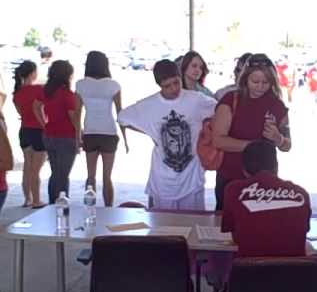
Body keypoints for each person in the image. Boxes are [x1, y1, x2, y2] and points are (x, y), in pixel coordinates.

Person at [118, 59, 217, 210]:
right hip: (162, 181)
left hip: (191, 179)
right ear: (159, 85)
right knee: (163, 228)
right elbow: (122, 118)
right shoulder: (148, 105)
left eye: (176, 82)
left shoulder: (196, 100)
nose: (174, 88)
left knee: (194, 225)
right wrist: (151, 132)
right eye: (167, 86)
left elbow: (221, 110)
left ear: (180, 77)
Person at [212, 53, 291, 210]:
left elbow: (287, 145)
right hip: (231, 177)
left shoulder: (277, 105)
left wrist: (278, 138)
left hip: (265, 182)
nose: (260, 87)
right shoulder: (230, 100)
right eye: (255, 82)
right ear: (245, 79)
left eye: (265, 82)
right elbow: (218, 140)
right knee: (226, 228)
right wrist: (255, 146)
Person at [222, 140, 311, 257]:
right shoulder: (301, 194)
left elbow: (234, 236)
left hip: (249, 273)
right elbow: (303, 231)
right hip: (293, 273)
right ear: (276, 166)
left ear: (243, 169)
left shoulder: (233, 190)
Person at [75, 51, 128, 206]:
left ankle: (89, 209)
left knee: (90, 176)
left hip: (90, 133)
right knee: (107, 177)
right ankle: (108, 209)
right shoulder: (114, 85)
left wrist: (77, 136)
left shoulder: (81, 84)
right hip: (109, 133)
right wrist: (125, 138)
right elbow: (120, 113)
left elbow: (77, 114)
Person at [33, 60, 79, 204]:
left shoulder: (46, 91)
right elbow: (73, 118)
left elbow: (35, 107)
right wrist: (79, 137)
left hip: (49, 135)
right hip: (66, 137)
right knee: (63, 175)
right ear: (66, 75)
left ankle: (53, 203)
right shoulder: (67, 94)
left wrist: (44, 124)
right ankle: (62, 204)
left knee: (56, 173)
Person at [12, 61, 47, 208]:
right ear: (33, 73)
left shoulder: (17, 93)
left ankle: (27, 199)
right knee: (36, 170)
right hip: (38, 130)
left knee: (27, 167)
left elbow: (21, 113)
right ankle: (37, 200)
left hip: (24, 130)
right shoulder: (39, 89)